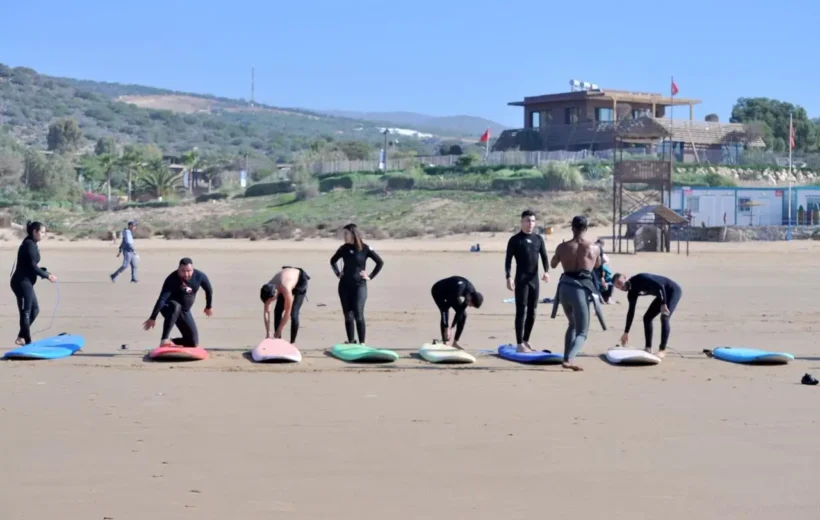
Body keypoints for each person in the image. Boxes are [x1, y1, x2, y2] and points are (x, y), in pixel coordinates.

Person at [548, 216, 603, 372]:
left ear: (572, 228)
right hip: (581, 289)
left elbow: (553, 264)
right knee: (582, 332)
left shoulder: (562, 247)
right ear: (586, 229)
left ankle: (566, 358)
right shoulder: (594, 247)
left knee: (572, 324)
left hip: (564, 288)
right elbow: (597, 265)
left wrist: (562, 253)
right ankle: (570, 359)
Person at [329, 224, 384, 345]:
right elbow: (332, 261)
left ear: (353, 234)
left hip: (360, 286)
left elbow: (380, 262)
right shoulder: (343, 248)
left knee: (358, 314)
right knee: (348, 316)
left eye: (346, 234)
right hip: (344, 286)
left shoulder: (365, 248)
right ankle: (351, 341)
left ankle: (362, 343)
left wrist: (370, 276)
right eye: (344, 234)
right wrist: (338, 273)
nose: (344, 236)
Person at [504, 210, 549, 353]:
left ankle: (526, 340)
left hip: (534, 280)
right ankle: (518, 344)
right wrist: (508, 277)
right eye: (528, 221)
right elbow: (508, 260)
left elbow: (544, 257)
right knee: (520, 311)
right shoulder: (515, 240)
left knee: (533, 311)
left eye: (533, 221)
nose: (531, 224)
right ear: (522, 222)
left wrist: (546, 272)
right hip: (521, 280)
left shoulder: (538, 239)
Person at [143, 257, 213, 347]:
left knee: (193, 343)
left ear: (193, 269)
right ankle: (164, 339)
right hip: (168, 307)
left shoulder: (200, 276)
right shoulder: (171, 279)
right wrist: (153, 317)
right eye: (183, 271)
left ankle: (172, 342)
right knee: (176, 307)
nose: (186, 274)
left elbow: (209, 290)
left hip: (185, 311)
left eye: (189, 271)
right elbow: (162, 299)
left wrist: (208, 306)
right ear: (178, 269)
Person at [613, 272, 683, 358]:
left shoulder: (641, 278)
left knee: (664, 317)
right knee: (647, 318)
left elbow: (660, 286)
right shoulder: (631, 293)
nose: (620, 287)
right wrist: (626, 332)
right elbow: (631, 312)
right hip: (661, 295)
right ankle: (648, 348)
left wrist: (664, 304)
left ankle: (662, 350)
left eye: (620, 283)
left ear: (625, 277)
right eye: (617, 287)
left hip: (672, 290)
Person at [10, 221, 57, 345]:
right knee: (26, 311)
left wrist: (44, 271)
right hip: (21, 282)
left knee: (34, 310)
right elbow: (32, 266)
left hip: (26, 281)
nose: (43, 235)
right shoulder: (29, 244)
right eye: (41, 232)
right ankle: (28, 341)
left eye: (44, 232)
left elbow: (31, 266)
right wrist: (47, 276)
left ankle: (21, 337)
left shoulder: (32, 243)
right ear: (34, 232)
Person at [260, 266, 311, 344]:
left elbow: (287, 312)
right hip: (285, 278)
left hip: (300, 280)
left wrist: (279, 330)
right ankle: (278, 340)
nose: (270, 302)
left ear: (275, 293)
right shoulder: (268, 288)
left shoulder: (285, 288)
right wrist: (268, 332)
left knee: (293, 313)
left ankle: (292, 342)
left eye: (271, 300)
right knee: (277, 311)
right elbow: (266, 311)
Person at [430, 276, 484, 349]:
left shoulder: (471, 292)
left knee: (463, 315)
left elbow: (460, 311)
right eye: (470, 304)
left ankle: (454, 342)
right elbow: (445, 309)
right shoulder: (458, 291)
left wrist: (452, 328)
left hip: (451, 292)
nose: (469, 306)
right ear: (470, 297)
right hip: (438, 291)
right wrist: (447, 328)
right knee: (445, 311)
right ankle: (445, 342)